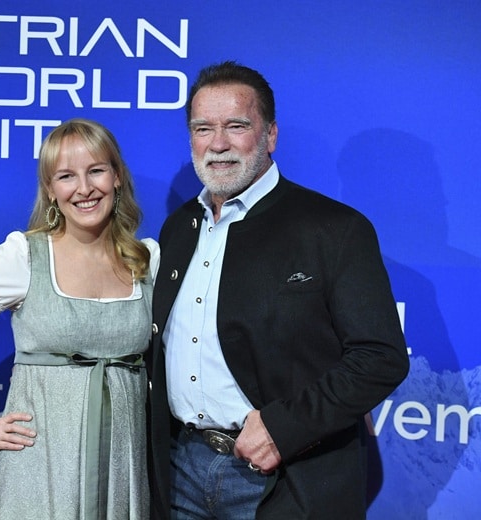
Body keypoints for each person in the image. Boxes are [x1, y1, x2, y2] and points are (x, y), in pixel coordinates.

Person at [147, 61, 410, 519]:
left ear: (270, 135)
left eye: (236, 126)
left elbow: (380, 357)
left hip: (287, 479)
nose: (218, 144)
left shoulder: (335, 230)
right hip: (180, 476)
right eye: (203, 128)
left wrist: (283, 429)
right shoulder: (177, 229)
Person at [0, 118, 159, 519]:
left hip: (121, 474)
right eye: (66, 176)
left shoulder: (146, 261)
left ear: (117, 177)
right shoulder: (24, 257)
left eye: (96, 170)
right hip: (37, 473)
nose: (84, 188)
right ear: (50, 190)